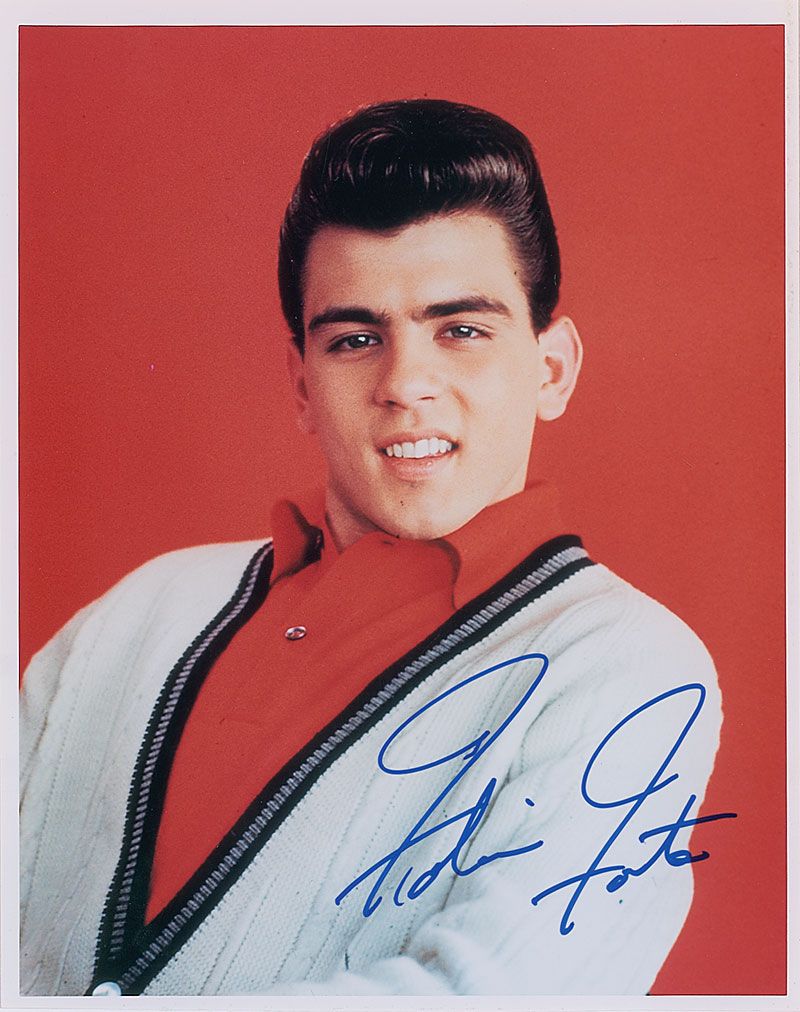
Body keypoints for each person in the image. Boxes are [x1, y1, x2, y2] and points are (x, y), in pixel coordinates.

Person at [20, 99, 723, 997]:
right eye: (356, 339)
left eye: (460, 331)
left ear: (552, 369)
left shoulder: (632, 665)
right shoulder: (141, 610)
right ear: (302, 385)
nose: (405, 383)